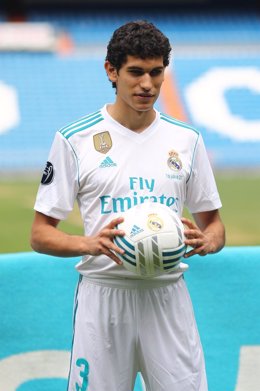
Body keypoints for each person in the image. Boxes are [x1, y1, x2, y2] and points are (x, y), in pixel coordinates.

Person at [31, 20, 225, 391]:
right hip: (103, 295)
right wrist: (89, 243)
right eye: (135, 72)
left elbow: (215, 226)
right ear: (111, 70)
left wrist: (209, 241)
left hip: (167, 295)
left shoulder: (186, 140)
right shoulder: (75, 139)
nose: (147, 84)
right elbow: (40, 235)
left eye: (156, 72)